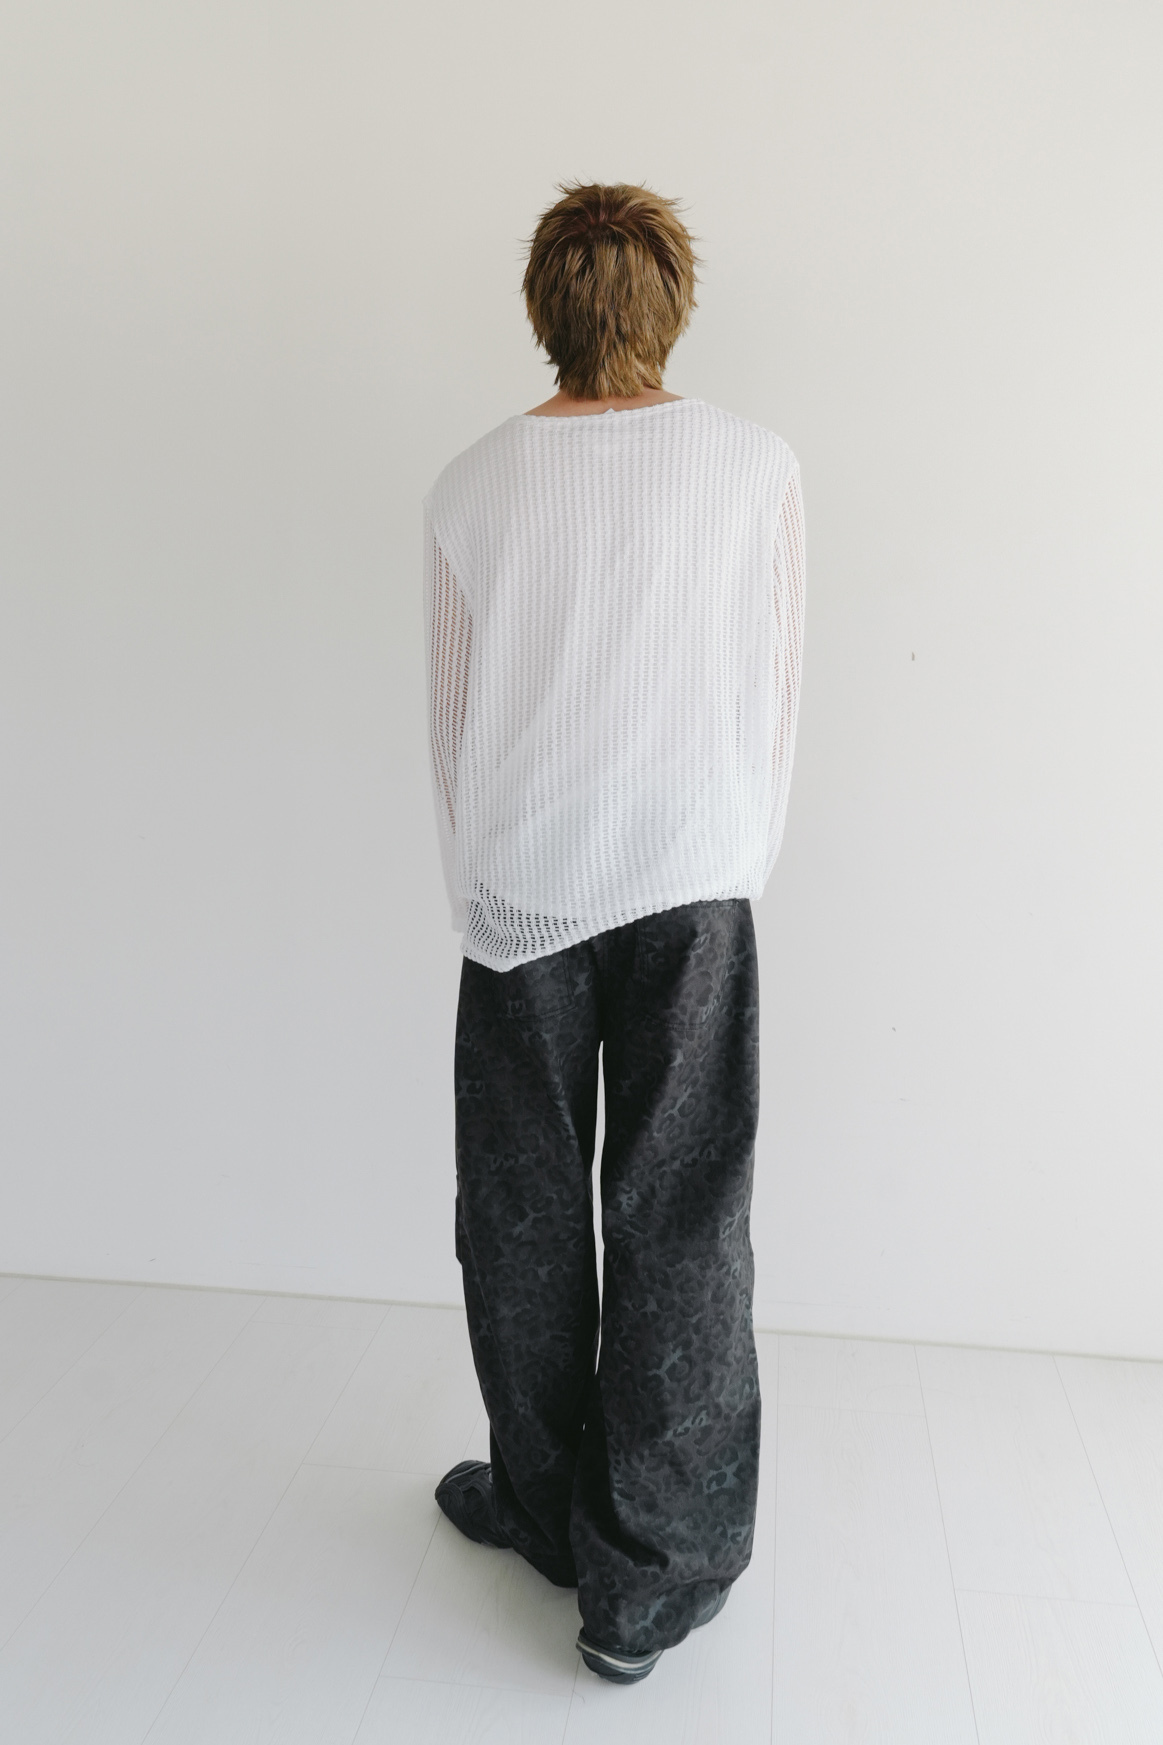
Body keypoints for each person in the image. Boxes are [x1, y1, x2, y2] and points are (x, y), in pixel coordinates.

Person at [422, 181, 805, 1685]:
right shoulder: (755, 466)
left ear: (546, 306)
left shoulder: (471, 486)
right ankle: (645, 1577)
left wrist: (480, 892)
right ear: (670, 302)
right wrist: (734, 863)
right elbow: (774, 690)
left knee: (520, 1209)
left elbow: (453, 727)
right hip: (695, 875)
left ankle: (541, 1505)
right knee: (683, 1214)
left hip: (520, 887)